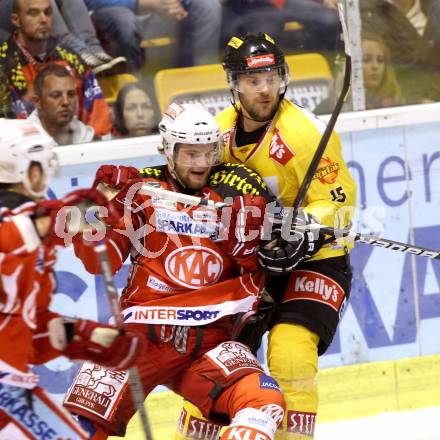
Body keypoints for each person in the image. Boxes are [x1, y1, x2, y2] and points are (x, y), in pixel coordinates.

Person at [63, 103, 286, 439]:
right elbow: (101, 261)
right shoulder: (142, 191)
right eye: (189, 154)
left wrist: (248, 241)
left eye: (207, 152)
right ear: (168, 149)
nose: (200, 164)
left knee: (265, 402)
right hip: (144, 333)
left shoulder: (239, 188)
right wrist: (94, 216)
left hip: (210, 339)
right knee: (81, 424)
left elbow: (265, 265)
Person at [176, 33, 357, 439]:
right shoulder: (219, 133)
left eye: (272, 77)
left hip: (317, 260)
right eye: (254, 80)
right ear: (234, 83)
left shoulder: (304, 133)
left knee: (291, 354)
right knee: (217, 360)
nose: (265, 89)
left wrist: (304, 233)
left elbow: (341, 204)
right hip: (254, 267)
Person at [0, 119, 147, 439]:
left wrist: (91, 338)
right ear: (30, 171)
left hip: (10, 389)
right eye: (41, 166)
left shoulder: (30, 240)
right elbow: (31, 225)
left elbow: (32, 331)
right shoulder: (16, 228)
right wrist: (83, 207)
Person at [0, 0, 112, 138]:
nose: (43, 19)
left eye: (47, 13)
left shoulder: (72, 59)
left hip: (78, 151)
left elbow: (100, 123)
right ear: (16, 20)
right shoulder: (3, 65)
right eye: (33, 13)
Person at [84, 0, 222, 71]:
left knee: (208, 7)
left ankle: (194, 81)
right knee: (124, 22)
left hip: (163, 12)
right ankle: (132, 92)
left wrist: (172, 4)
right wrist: (144, 3)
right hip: (114, 12)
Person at [28, 63, 96, 145]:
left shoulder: (85, 136)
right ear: (37, 101)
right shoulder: (22, 141)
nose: (66, 102)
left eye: (71, 94)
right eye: (56, 95)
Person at [361, 32, 405, 109]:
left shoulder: (395, 101)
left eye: (380, 60)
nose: (375, 66)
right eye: (366, 60)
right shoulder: (340, 101)